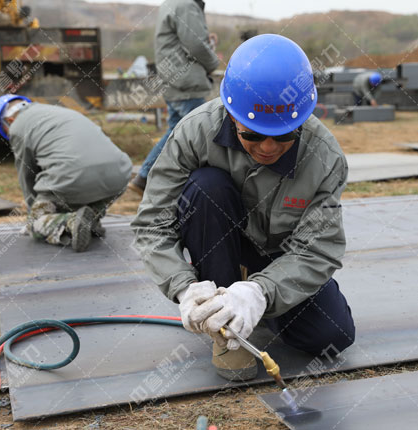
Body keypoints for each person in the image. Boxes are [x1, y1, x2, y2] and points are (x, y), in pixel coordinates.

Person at [131, 34, 355, 382]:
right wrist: (183, 287)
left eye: (283, 136)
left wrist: (260, 293)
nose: (267, 148)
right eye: (252, 134)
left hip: (282, 257)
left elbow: (318, 250)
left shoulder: (324, 157)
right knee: (206, 187)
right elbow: (152, 225)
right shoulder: (194, 132)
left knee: (332, 336)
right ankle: (223, 326)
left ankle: (249, 299)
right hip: (220, 243)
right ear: (231, 114)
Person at [0, 95, 132, 252]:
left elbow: (27, 174)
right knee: (82, 191)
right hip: (119, 175)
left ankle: (70, 223)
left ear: (8, 121)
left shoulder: (17, 127)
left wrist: (34, 215)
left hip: (73, 178)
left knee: (37, 223)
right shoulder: (56, 111)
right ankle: (91, 218)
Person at [128, 0, 220, 194]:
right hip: (186, 81)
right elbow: (195, 44)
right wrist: (213, 63)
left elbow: (187, 42)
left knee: (176, 131)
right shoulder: (186, 4)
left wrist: (207, 42)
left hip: (175, 79)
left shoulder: (174, 3)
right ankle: (199, 189)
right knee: (200, 133)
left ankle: (144, 177)